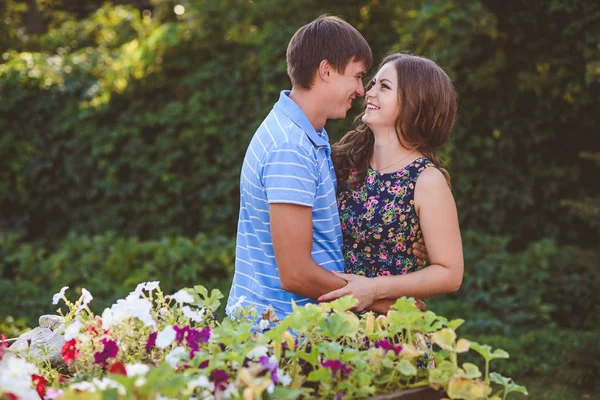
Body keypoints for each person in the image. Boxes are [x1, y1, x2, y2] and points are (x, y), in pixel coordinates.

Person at [225, 16, 427, 321]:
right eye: (357, 76)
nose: (361, 90)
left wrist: (401, 235)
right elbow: (296, 274)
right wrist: (384, 304)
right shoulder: (289, 146)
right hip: (278, 335)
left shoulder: (309, 135)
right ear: (327, 71)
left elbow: (324, 230)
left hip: (297, 330)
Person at [319, 54, 464, 311]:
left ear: (415, 102)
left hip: (389, 332)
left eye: (383, 87)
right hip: (331, 323)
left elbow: (450, 274)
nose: (368, 92)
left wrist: (374, 289)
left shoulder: (427, 180)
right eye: (373, 83)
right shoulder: (343, 163)